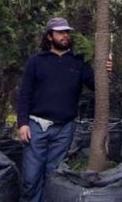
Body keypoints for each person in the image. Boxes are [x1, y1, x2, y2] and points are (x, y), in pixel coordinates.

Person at [16, 17, 103, 202]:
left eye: (67, 32)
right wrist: (22, 123)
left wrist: (106, 70)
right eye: (60, 32)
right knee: (31, 178)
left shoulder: (78, 62)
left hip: (64, 129)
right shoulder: (36, 61)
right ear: (49, 36)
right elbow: (24, 94)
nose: (65, 36)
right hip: (36, 127)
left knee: (53, 177)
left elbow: (96, 85)